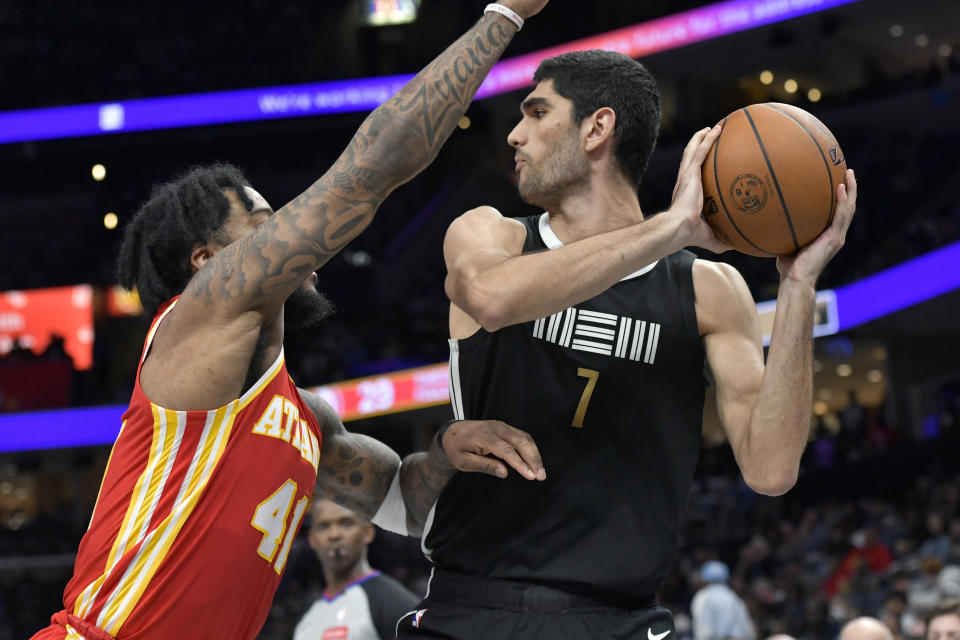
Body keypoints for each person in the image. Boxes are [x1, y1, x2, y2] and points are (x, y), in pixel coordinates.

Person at [29, 3, 551, 639]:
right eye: (262, 221)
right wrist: (504, 14)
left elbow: (408, 504)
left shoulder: (306, 419)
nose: (284, 230)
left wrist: (444, 449)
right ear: (210, 261)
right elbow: (369, 174)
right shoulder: (198, 314)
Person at [401, 49, 858, 639]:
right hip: (473, 608)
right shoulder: (492, 233)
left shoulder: (708, 287)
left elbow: (771, 470)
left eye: (536, 112)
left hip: (620, 617)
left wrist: (798, 284)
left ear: (598, 127)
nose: (514, 135)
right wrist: (672, 228)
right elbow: (489, 297)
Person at [293, 499, 419, 640]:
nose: (334, 534)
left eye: (346, 523)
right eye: (324, 526)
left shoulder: (394, 602)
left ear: (367, 532)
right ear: (312, 539)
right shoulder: (307, 613)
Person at [690, 561, 756, 640]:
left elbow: (702, 630)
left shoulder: (702, 596)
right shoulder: (733, 596)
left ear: (704, 579)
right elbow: (748, 630)